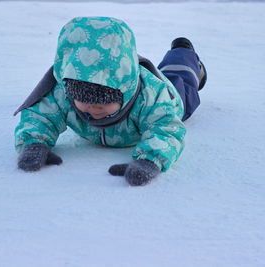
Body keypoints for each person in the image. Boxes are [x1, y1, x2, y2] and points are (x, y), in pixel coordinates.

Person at [13, 17, 207, 186]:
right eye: (84, 100)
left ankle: (183, 53)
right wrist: (34, 143)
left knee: (181, 80)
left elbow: (166, 128)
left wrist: (150, 160)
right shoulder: (63, 93)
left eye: (104, 101)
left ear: (126, 90)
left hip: (170, 94)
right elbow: (41, 115)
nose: (94, 108)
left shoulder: (152, 97)